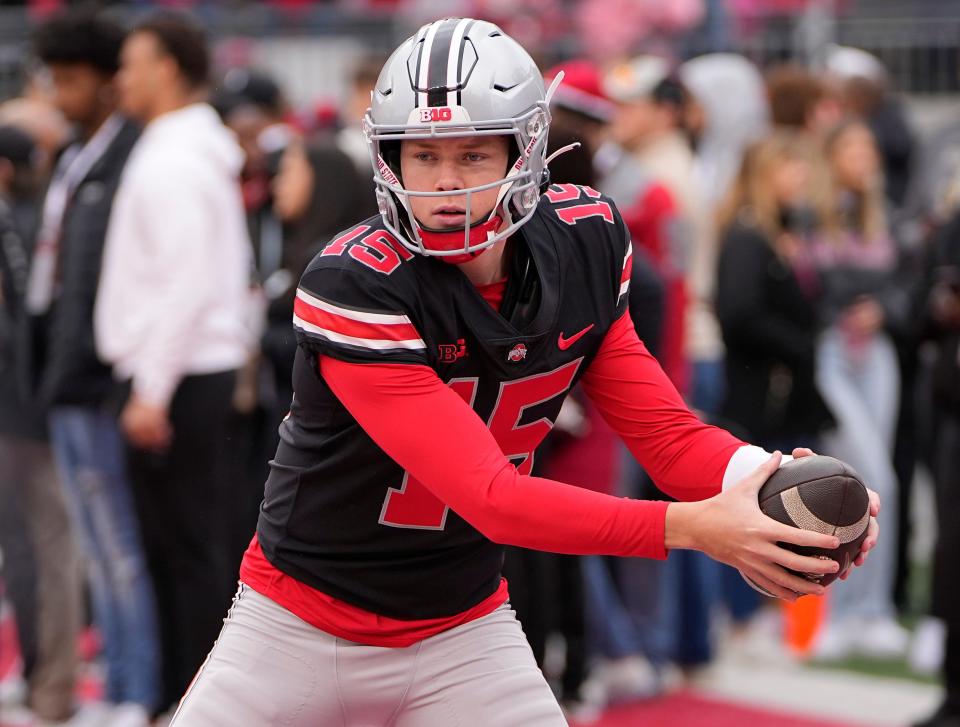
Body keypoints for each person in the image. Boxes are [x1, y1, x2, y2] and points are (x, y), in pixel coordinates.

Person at [170, 19, 878, 727]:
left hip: (461, 629)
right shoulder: (357, 282)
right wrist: (698, 528)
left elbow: (668, 436)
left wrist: (762, 482)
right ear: (390, 160)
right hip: (301, 624)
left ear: (526, 149)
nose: (445, 182)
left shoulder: (585, 243)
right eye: (423, 155)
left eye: (474, 154)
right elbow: (493, 497)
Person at [94, 12, 253, 715]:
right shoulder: (178, 149)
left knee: (188, 553)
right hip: (182, 370)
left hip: (179, 375)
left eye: (131, 63)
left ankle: (197, 701)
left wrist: (151, 390)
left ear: (167, 68)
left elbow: (185, 283)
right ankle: (179, 698)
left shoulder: (177, 157)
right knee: (177, 552)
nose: (120, 79)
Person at [26, 12, 160, 725]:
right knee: (94, 544)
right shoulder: (76, 153)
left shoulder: (133, 154)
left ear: (110, 85)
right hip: (63, 374)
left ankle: (135, 688)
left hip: (101, 376)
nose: (58, 93)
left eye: (71, 80)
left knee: (119, 546)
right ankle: (114, 679)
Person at [810, 120, 909, 660]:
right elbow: (814, 287)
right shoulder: (814, 213)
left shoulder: (885, 213)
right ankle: (838, 611)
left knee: (884, 482)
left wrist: (883, 309)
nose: (862, 156)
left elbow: (905, 286)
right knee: (852, 477)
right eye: (850, 145)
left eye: (866, 146)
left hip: (876, 355)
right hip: (831, 352)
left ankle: (873, 612)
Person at [0, 123, 82, 727]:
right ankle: (39, 680)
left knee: (45, 545)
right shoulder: (25, 215)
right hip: (23, 407)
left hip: (24, 411)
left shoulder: (26, 218)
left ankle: (51, 687)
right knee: (32, 547)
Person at [913, 205, 960, 727]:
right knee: (952, 560)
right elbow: (919, 315)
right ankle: (954, 697)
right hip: (953, 420)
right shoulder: (952, 224)